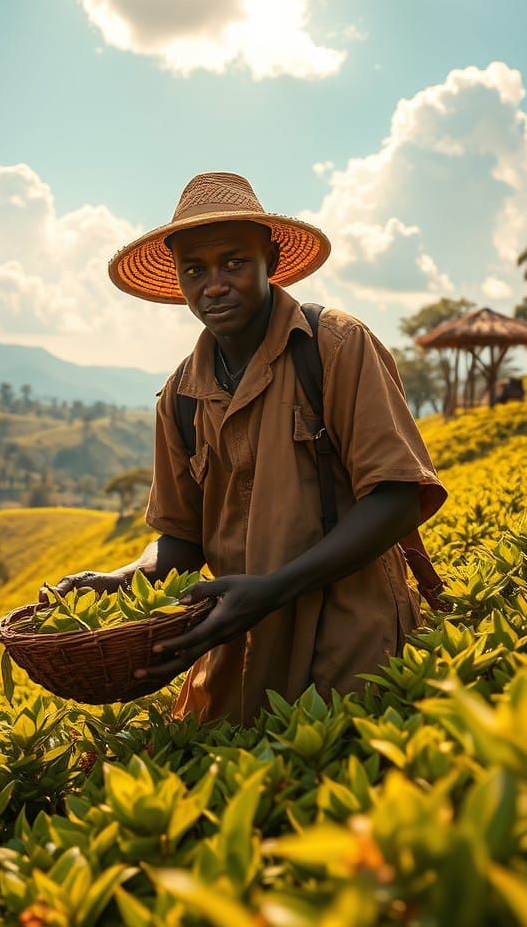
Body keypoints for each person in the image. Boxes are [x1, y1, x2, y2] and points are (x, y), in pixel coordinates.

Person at [51, 172, 447, 725]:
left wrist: (273, 590)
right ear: (180, 281)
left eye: (234, 262)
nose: (214, 285)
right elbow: (181, 538)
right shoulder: (181, 397)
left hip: (353, 648)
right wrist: (126, 577)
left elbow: (398, 497)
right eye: (196, 270)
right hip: (237, 662)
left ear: (272, 260)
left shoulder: (333, 346)